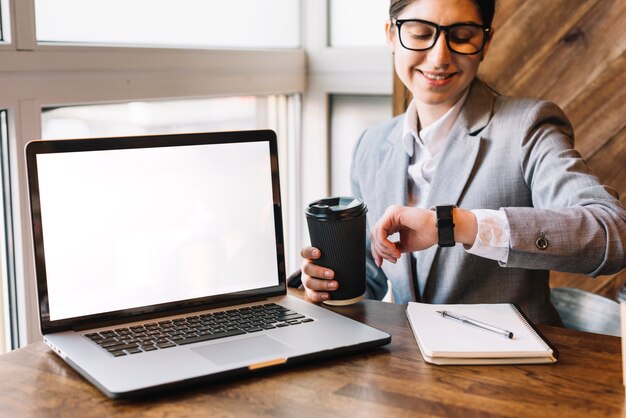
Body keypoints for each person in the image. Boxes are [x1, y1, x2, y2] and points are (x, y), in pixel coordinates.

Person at [300, 0, 626, 324]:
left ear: (485, 42)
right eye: (420, 32)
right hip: (403, 367)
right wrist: (325, 281)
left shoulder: (528, 127)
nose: (440, 57)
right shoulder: (369, 145)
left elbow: (611, 234)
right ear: (391, 35)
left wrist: (457, 226)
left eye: (462, 35)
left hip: (510, 368)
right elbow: (372, 273)